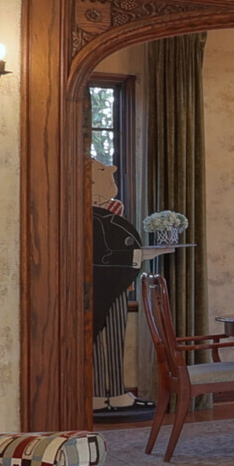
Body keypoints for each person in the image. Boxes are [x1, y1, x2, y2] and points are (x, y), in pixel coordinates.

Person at [89, 159, 143, 410]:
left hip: (118, 283)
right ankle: (98, 393)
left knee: (113, 338)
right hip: (92, 283)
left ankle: (118, 390)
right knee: (95, 337)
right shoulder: (77, 209)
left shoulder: (115, 208)